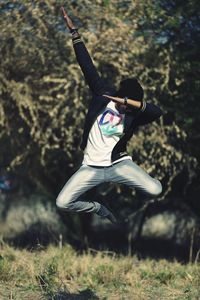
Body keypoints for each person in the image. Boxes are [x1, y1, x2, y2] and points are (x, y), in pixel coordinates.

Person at [56, 7, 164, 223]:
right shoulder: (102, 95)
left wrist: (128, 104)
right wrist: (74, 33)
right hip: (91, 167)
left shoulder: (134, 114)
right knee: (63, 202)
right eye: (124, 103)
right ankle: (97, 208)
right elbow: (87, 66)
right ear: (119, 95)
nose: (125, 110)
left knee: (155, 190)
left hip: (119, 165)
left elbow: (156, 112)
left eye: (129, 106)